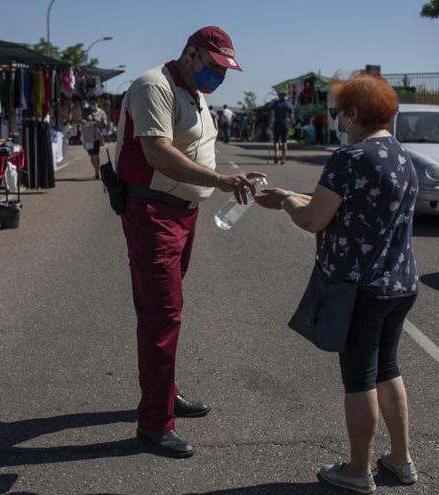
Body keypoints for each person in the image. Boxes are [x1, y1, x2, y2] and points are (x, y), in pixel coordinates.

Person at [255, 73, 419, 493]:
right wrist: (294, 194)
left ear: (354, 113)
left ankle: (358, 470)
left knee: (359, 377)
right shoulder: (400, 155)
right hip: (399, 281)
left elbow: (314, 220)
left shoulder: (349, 157)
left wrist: (287, 202)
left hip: (359, 285)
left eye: (339, 112)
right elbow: (350, 207)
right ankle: (401, 460)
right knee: (388, 368)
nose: (336, 119)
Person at [111, 25, 264, 459]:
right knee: (161, 316)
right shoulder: (152, 86)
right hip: (153, 212)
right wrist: (219, 180)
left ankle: (165, 393)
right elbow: (157, 152)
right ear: (191, 54)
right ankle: (155, 424)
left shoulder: (195, 92)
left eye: (225, 71)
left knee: (170, 311)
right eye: (215, 67)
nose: (220, 77)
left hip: (181, 213)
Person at [81, 101, 107, 179]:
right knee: (91, 155)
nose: (93, 104)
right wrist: (85, 122)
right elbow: (81, 120)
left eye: (95, 101)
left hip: (96, 136)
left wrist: (98, 124)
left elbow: (105, 124)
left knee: (96, 155)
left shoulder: (102, 112)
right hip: (88, 136)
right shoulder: (85, 111)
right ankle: (96, 169)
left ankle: (97, 171)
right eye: (92, 101)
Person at [270, 92, 294, 164]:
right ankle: (283, 159)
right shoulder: (289, 104)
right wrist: (291, 124)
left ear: (279, 96)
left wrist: (271, 123)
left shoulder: (276, 103)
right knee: (284, 142)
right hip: (285, 124)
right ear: (286, 96)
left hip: (277, 123)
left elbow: (272, 114)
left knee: (276, 141)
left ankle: (276, 156)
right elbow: (292, 115)